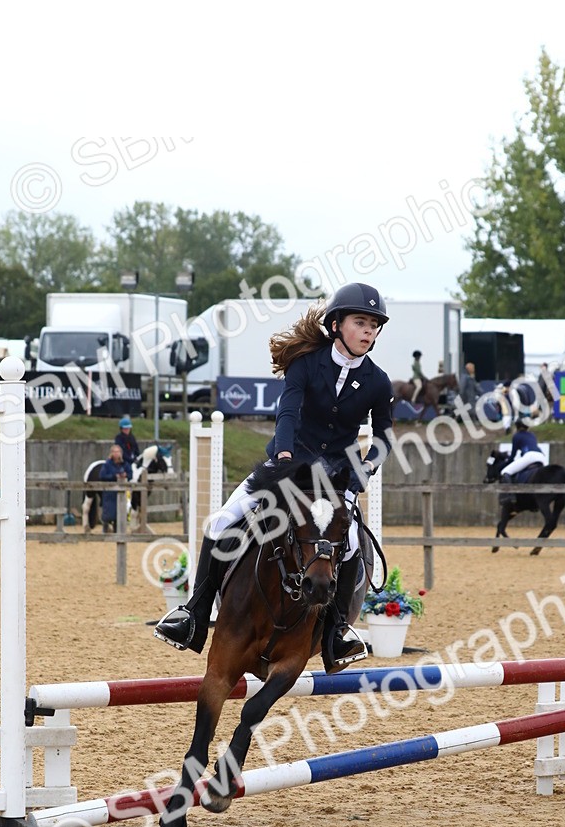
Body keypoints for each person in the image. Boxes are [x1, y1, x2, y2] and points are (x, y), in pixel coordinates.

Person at [156, 282, 394, 670]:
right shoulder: (306, 364)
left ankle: (337, 633)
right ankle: (195, 615)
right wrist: (283, 451)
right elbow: (288, 411)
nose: (368, 331)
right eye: (360, 322)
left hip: (335, 481)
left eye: (374, 325)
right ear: (336, 325)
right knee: (220, 523)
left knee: (349, 542)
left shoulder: (377, 381)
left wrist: (366, 467)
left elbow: (384, 437)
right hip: (286, 468)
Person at [500, 420, 546, 485]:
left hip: (530, 456)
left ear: (517, 427)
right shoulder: (532, 435)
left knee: (505, 472)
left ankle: (510, 493)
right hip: (542, 456)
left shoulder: (517, 436)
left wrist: (505, 464)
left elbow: (513, 455)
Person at [99, 444, 133, 532]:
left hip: (121, 492)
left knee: (120, 513)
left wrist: (125, 475)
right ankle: (105, 529)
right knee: (108, 514)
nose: (116, 454)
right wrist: (114, 476)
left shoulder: (125, 464)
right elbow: (102, 476)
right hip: (110, 493)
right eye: (114, 452)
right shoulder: (107, 464)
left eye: (118, 452)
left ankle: (117, 531)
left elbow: (130, 474)